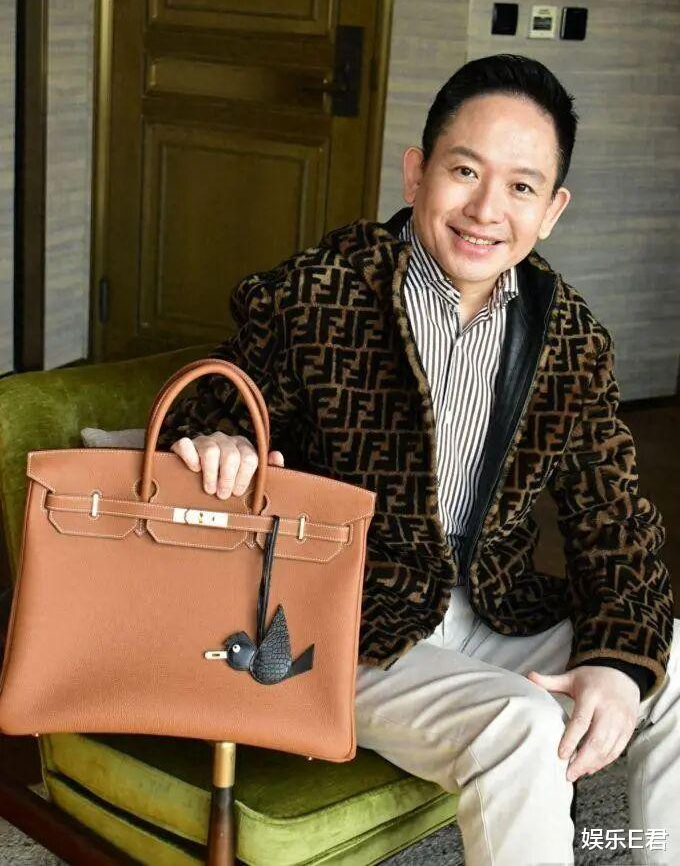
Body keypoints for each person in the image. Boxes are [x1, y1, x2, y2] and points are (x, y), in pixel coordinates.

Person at [157, 54, 678, 865]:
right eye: (464, 171)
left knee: (669, 662)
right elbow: (216, 403)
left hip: (491, 615)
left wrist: (617, 663)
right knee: (521, 726)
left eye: (521, 186)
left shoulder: (568, 337)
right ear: (417, 172)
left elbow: (614, 521)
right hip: (347, 630)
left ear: (552, 210)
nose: (486, 210)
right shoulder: (321, 295)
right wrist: (222, 441)